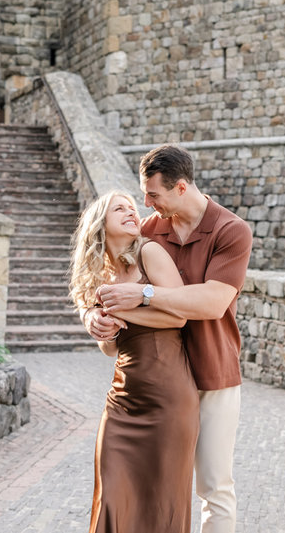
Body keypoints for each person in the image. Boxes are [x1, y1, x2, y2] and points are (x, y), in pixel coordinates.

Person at [90, 145, 253, 533]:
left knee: (214, 486)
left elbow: (213, 303)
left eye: (153, 195)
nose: (145, 204)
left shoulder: (231, 230)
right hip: (160, 380)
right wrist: (94, 316)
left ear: (181, 187)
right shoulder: (148, 231)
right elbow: (106, 288)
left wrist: (144, 295)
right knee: (156, 486)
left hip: (212, 373)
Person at [69, 190, 198, 533]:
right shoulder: (98, 278)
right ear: (100, 223)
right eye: (119, 208)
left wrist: (127, 311)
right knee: (113, 496)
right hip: (122, 401)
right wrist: (103, 329)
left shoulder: (149, 253)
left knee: (162, 501)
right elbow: (111, 349)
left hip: (168, 399)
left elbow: (179, 317)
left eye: (132, 207)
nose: (131, 211)